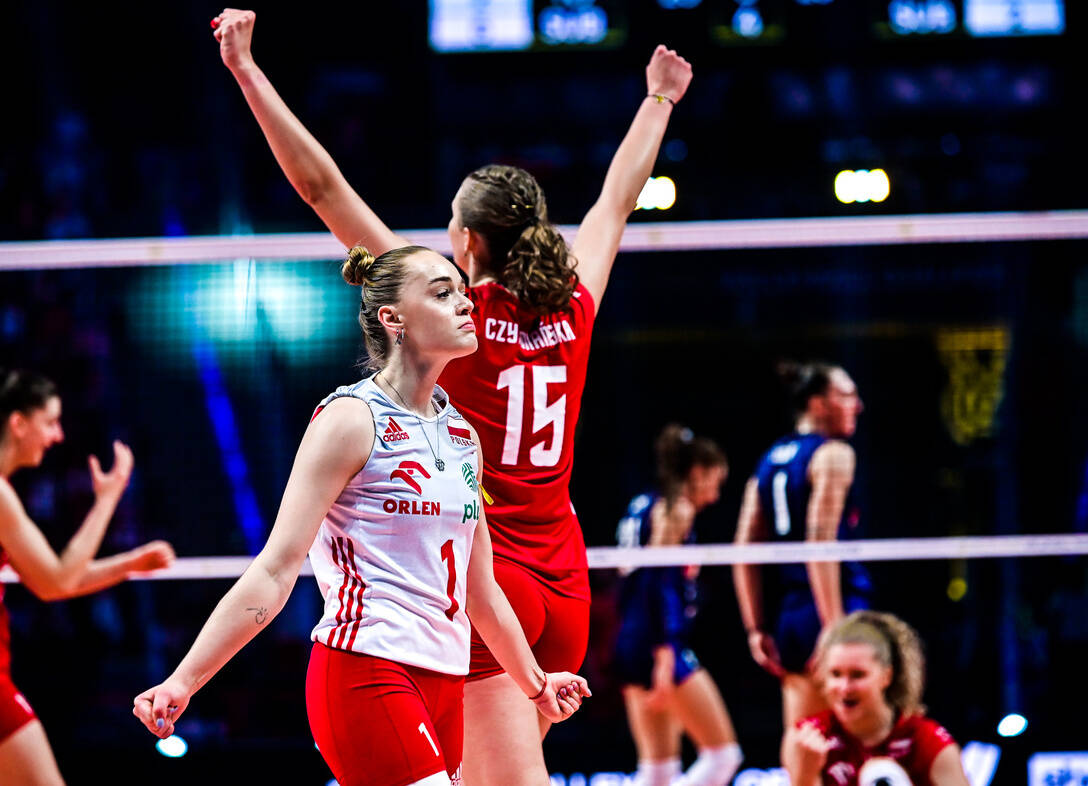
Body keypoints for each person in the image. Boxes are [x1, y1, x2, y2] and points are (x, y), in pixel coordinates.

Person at [210, 10, 692, 781]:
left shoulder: (450, 319)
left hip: (488, 586)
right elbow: (615, 202)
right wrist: (658, 99)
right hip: (565, 585)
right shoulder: (575, 306)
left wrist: (246, 71)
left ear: (465, 241)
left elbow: (320, 188)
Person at [133, 245, 591, 786]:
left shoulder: (463, 436)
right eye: (442, 293)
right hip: (367, 667)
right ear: (393, 319)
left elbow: (481, 591)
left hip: (447, 681)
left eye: (462, 291)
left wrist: (537, 686)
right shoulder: (349, 419)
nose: (466, 303)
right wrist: (184, 680)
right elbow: (276, 570)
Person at [0, 367, 175, 786]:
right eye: (49, 422)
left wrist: (130, 563)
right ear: (18, 423)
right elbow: (57, 581)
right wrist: (107, 500)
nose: (57, 435)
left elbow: (47, 580)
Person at [732, 362, 873, 757]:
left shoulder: (770, 459)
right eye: (846, 395)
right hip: (836, 608)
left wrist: (755, 627)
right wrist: (834, 628)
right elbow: (819, 541)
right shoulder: (834, 454)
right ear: (818, 403)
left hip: (791, 617)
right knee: (862, 746)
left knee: (803, 743)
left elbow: (742, 548)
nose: (858, 405)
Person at [613, 425, 742, 786]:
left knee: (658, 771)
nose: (715, 496)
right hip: (654, 639)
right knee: (724, 756)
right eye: (715, 482)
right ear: (697, 473)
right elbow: (658, 583)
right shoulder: (676, 509)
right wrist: (665, 652)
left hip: (630, 636)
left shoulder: (643, 503)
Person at [784, 610, 971, 786]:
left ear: (886, 676)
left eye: (857, 675)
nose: (844, 687)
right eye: (835, 674)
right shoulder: (806, 740)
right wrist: (806, 778)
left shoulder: (928, 741)